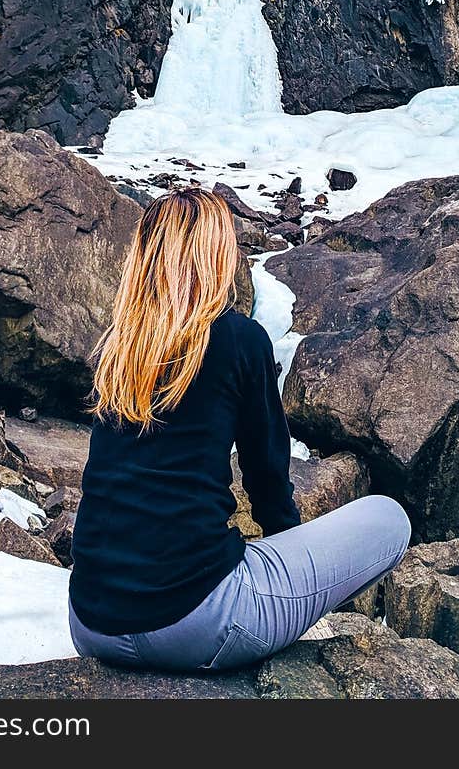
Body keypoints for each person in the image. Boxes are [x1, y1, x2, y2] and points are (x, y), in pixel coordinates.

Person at [68, 187, 411, 671]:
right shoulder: (239, 339)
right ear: (216, 256)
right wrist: (289, 557)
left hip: (90, 623)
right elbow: (266, 479)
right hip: (196, 623)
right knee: (389, 518)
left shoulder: (119, 351)